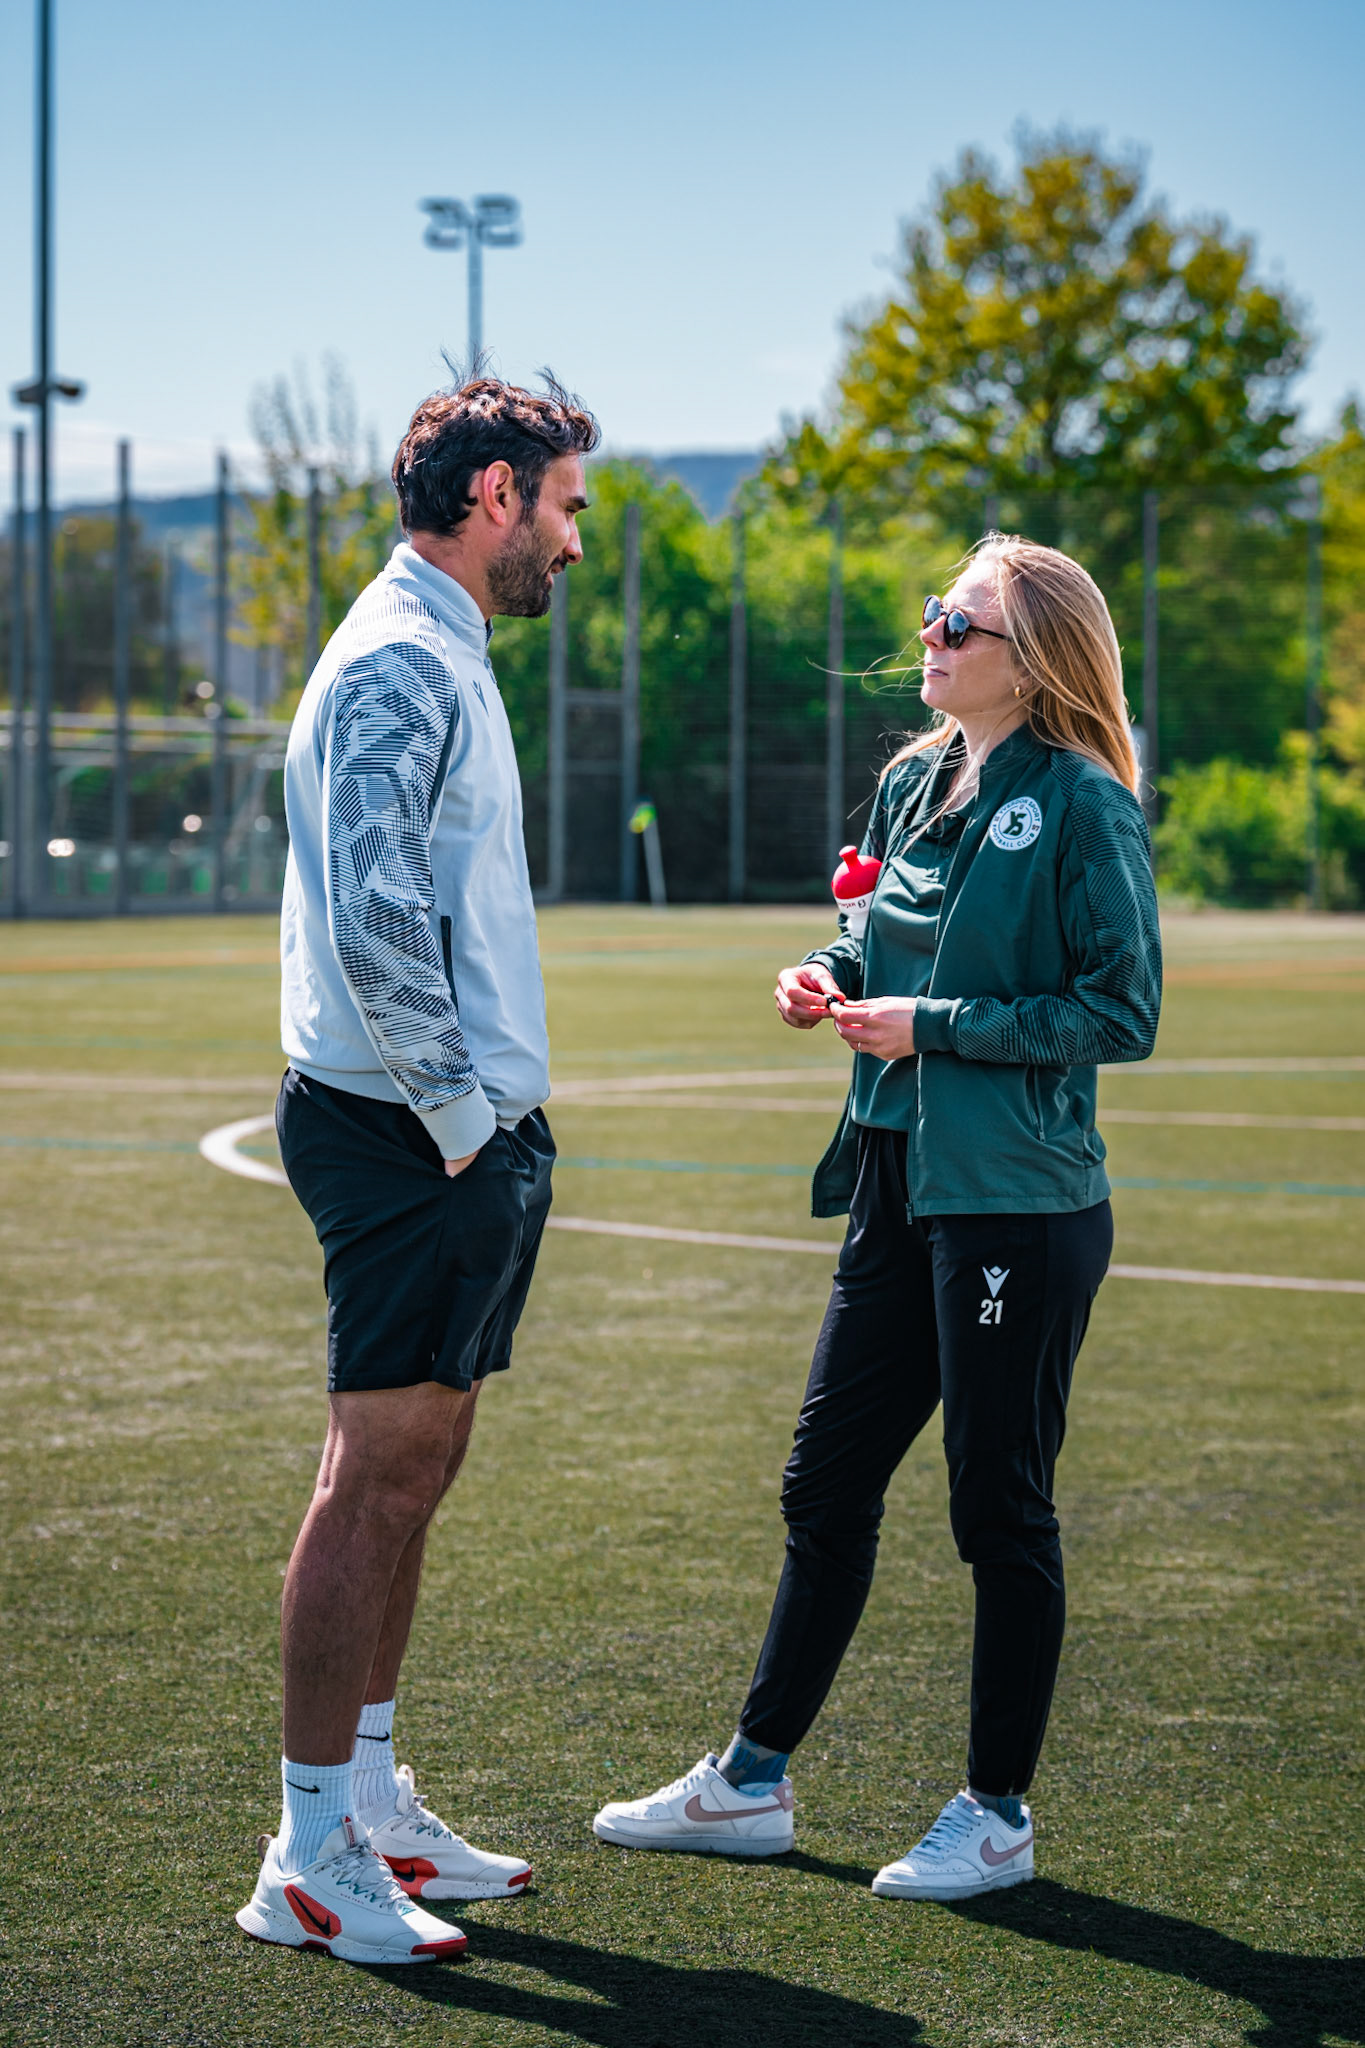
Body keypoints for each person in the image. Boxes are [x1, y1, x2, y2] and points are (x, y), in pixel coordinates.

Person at [593, 535, 1161, 1900]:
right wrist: (819, 973)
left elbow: (1118, 1011)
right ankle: (748, 1782)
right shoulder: (915, 777)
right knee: (824, 1484)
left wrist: (934, 1029)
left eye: (955, 625)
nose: (929, 639)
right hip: (895, 1181)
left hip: (1016, 1208)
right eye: (931, 617)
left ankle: (996, 1815)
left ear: (1031, 658)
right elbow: (873, 938)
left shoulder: (1082, 804)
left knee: (994, 1509)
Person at [237, 374, 599, 1965]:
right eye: (568, 505)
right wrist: (466, 1122)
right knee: (370, 1475)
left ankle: (370, 1803)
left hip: (440, 1127)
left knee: (415, 1474)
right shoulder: (396, 658)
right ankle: (308, 1852)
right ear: (497, 495)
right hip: (405, 1133)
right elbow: (379, 913)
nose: (574, 541)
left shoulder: (438, 643)